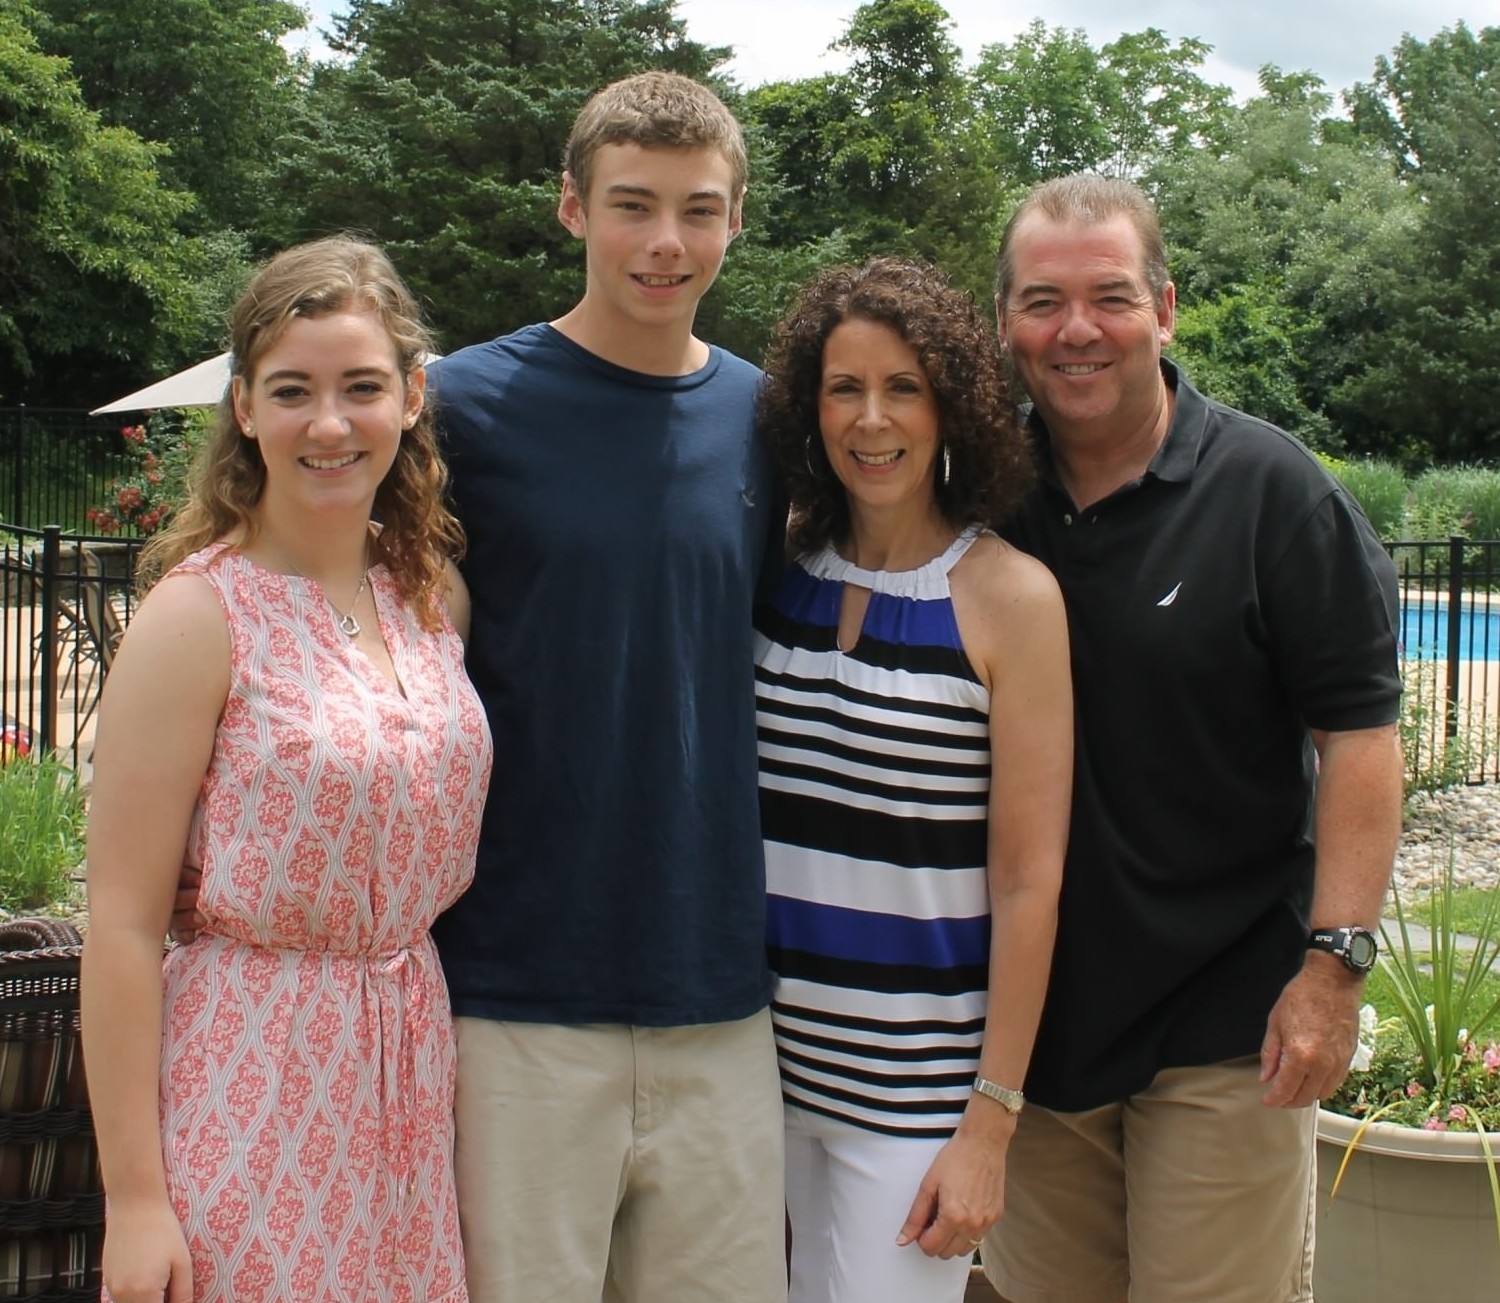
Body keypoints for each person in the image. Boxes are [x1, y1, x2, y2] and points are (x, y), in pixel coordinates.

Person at [979, 176, 1404, 1303]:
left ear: (1165, 309)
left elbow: (1359, 738)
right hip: (1033, 1033)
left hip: (1227, 1024)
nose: (1077, 330)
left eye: (1110, 297)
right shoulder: (981, 497)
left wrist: (1333, 971)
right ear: (1006, 322)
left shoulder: (1274, 495)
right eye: (1042, 301)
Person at [425, 72, 785, 1302]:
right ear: (572, 207)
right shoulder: (459, 409)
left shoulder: (771, 420)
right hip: (517, 992)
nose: (666, 242)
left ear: (737, 219)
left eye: (698, 209)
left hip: (724, 994)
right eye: (634, 205)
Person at [82, 236, 492, 1303]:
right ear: (245, 409)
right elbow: (122, 925)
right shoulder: (197, 616)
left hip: (410, 1067)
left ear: (409, 399)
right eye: (292, 390)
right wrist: (135, 1197)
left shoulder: (428, 597)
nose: (328, 423)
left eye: (361, 387)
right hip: (251, 1073)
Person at [754, 258, 1072, 1303]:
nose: (871, 419)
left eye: (904, 389)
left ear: (953, 408)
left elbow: (1030, 879)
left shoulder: (1010, 601)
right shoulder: (778, 571)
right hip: (749, 1074)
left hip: (910, 1100)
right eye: (845, 388)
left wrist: (991, 1118)